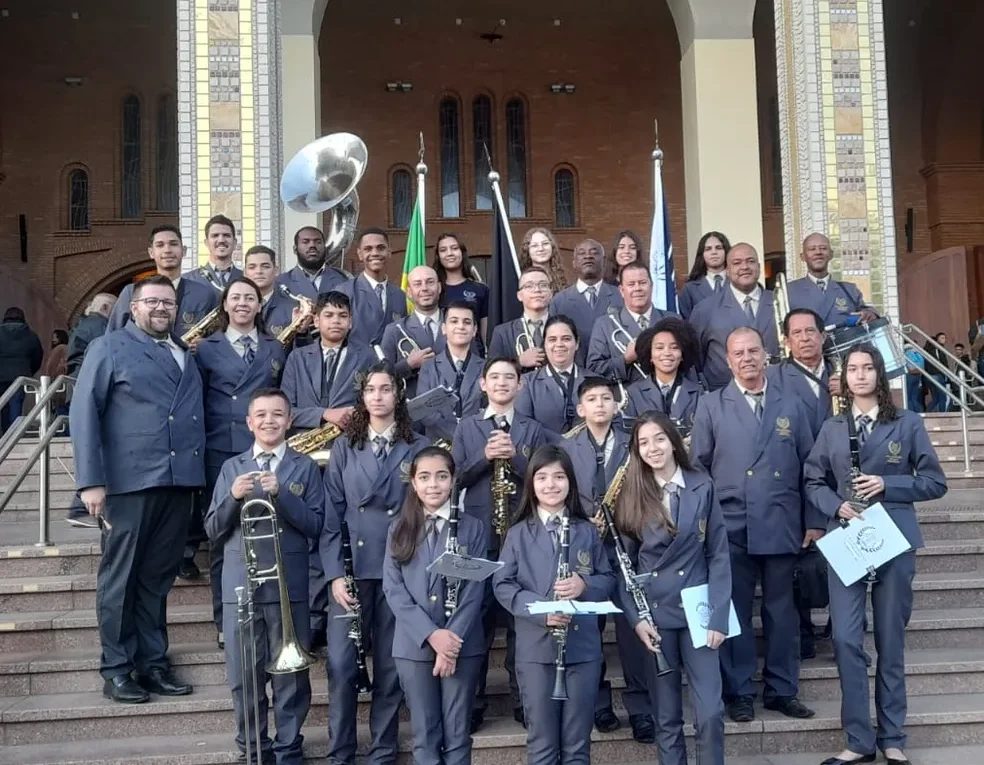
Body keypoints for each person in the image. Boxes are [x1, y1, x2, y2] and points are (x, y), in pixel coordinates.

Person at [804, 343, 947, 765]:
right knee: (846, 640)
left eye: (868, 368)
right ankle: (858, 740)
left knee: (890, 639)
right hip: (847, 537)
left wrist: (889, 485)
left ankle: (893, 737)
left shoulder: (907, 422)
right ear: (844, 377)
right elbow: (812, 480)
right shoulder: (832, 427)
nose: (861, 375)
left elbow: (935, 483)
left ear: (879, 376)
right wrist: (834, 505)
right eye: (853, 369)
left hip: (894, 540)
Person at [70, 275, 204, 703]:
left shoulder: (184, 351)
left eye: (168, 302)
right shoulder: (107, 348)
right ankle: (117, 669)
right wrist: (91, 483)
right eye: (152, 301)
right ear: (133, 307)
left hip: (177, 482)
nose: (162, 308)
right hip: (127, 485)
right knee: (120, 580)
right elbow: (85, 412)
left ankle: (152, 664)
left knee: (155, 580)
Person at [689, 326, 821, 723]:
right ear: (727, 362)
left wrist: (814, 519)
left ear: (766, 355)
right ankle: (740, 691)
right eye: (738, 353)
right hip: (731, 525)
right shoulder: (712, 405)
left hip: (783, 523)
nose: (746, 358)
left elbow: (810, 467)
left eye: (753, 351)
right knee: (736, 612)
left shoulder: (792, 404)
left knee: (783, 612)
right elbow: (698, 469)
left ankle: (783, 689)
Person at [204, 388, 324, 765]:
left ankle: (289, 749)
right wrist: (232, 499)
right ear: (249, 422)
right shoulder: (231, 469)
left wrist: (284, 494)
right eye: (261, 415)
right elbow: (212, 529)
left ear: (289, 421)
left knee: (290, 678)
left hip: (289, 590)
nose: (269, 421)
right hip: (242, 590)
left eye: (277, 415)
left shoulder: (304, 467)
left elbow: (316, 526)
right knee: (244, 678)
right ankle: (252, 748)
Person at [318, 362, 430, 765]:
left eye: (386, 389)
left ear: (398, 395)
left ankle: (383, 751)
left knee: (390, 666)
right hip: (352, 569)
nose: (378, 396)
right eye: (371, 390)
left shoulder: (416, 445)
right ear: (362, 397)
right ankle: (340, 752)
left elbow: (425, 508)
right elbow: (331, 516)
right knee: (342, 665)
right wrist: (333, 575)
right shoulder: (345, 446)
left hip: (400, 569)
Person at [615, 412, 731, 765]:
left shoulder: (701, 483)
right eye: (644, 442)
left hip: (699, 611)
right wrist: (636, 619)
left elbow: (719, 553)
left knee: (710, 711)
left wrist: (719, 616)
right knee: (666, 717)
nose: (653, 448)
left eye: (659, 439)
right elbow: (624, 569)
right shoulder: (631, 494)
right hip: (655, 615)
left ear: (673, 441)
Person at [493, 444, 614, 765]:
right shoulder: (517, 534)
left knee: (577, 746)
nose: (551, 484)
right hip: (536, 653)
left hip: (583, 651)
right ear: (531, 484)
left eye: (559, 477)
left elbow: (608, 578)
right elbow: (503, 586)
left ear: (570, 483)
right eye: (542, 477)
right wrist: (542, 610)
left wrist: (584, 584)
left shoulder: (587, 531)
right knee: (543, 746)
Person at [452, 357, 550, 731]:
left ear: (520, 385)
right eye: (495, 377)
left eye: (510, 377)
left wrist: (518, 458)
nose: (502, 383)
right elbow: (454, 478)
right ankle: (473, 704)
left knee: (520, 625)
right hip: (478, 542)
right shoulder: (466, 427)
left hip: (523, 540)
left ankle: (524, 702)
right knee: (475, 622)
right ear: (482, 384)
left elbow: (546, 478)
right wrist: (484, 457)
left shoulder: (532, 429)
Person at [559, 377, 656, 742]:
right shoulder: (565, 445)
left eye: (606, 399)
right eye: (591, 400)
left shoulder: (634, 442)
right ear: (580, 408)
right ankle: (598, 704)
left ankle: (641, 708)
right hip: (586, 547)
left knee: (634, 632)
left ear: (616, 405)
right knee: (589, 631)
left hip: (628, 545)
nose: (600, 404)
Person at [194, 277, 287, 641]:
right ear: (225, 306)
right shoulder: (206, 349)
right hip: (221, 449)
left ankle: (272, 620)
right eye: (236, 298)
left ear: (260, 305)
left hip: (265, 447)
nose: (243, 303)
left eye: (250, 297)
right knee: (224, 538)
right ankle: (224, 622)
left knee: (269, 532)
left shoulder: (276, 348)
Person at [382, 447, 488, 765]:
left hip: (461, 646)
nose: (433, 485)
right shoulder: (398, 528)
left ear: (453, 480)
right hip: (414, 646)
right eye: (424, 477)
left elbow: (474, 590)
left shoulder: (473, 528)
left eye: (442, 477)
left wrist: (449, 642)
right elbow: (394, 590)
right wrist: (432, 635)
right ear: (413, 483)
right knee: (425, 735)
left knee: (457, 734)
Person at [279, 291, 376, 434]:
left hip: (350, 442)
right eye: (329, 315)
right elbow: (284, 411)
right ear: (316, 321)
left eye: (342, 315)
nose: (336, 321)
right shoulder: (297, 358)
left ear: (350, 322)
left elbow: (375, 406)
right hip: (303, 445)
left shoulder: (367, 357)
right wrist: (324, 413)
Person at [689, 243, 780, 391]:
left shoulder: (780, 302)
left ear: (759, 267)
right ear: (728, 271)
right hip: (724, 398)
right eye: (737, 263)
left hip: (776, 393)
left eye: (750, 261)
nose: (744, 267)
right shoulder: (705, 310)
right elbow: (695, 359)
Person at [108, 225, 219, 340]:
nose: (167, 250)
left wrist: (203, 346)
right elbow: (112, 337)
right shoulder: (130, 292)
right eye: (160, 245)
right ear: (151, 252)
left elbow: (217, 340)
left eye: (173, 244)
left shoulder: (204, 294)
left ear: (184, 251)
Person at [66, 293, 117, 527]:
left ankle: (80, 506)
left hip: (77, 383)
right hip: (91, 388)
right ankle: (82, 508)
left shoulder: (81, 326)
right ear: (107, 308)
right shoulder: (101, 328)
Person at [587, 261, 677, 385]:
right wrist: (625, 359)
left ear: (651, 286)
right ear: (621, 290)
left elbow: (688, 366)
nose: (637, 288)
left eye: (642, 283)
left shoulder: (673, 320)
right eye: (631, 284)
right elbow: (593, 371)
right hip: (628, 400)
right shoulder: (604, 324)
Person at [415, 302, 485, 443]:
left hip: (477, 444)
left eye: (467, 322)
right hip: (438, 446)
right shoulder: (428, 367)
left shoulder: (486, 368)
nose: (460, 326)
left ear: (474, 330)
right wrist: (458, 435)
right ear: (444, 328)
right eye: (454, 321)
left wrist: (471, 435)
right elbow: (424, 411)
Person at [549, 239, 624, 368]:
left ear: (604, 262)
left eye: (594, 253)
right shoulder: (559, 301)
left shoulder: (621, 296)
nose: (588, 256)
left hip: (614, 375)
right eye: (582, 253)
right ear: (574, 263)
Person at [515, 315, 586, 440]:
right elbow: (524, 426)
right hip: (543, 454)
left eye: (566, 339)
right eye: (552, 339)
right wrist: (561, 442)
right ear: (545, 345)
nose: (559, 344)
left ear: (577, 343)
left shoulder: (595, 380)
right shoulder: (527, 382)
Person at [785, 233, 878, 327]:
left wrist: (869, 314)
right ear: (803, 257)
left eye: (823, 248)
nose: (818, 252)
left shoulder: (850, 290)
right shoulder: (789, 291)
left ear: (831, 254)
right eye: (812, 249)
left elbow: (868, 313)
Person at [624, 317, 702, 428]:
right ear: (649, 354)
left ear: (683, 355)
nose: (667, 353)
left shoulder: (698, 393)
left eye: (674, 347)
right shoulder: (633, 393)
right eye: (659, 348)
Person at [380, 265, 445, 398]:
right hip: (412, 410)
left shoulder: (458, 323)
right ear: (409, 292)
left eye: (430, 282)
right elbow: (382, 377)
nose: (424, 288)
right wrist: (408, 364)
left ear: (439, 287)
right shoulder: (394, 330)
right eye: (417, 284)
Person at [770, 308, 835, 438]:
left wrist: (849, 391)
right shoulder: (771, 377)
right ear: (787, 342)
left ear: (823, 337)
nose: (804, 338)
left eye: (810, 331)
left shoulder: (843, 371)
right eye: (797, 333)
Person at [339, 228, 409, 346]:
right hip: (356, 362)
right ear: (360, 254)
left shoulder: (400, 295)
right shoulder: (344, 291)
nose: (375, 253)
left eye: (381, 248)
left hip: (390, 363)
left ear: (389, 252)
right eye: (368, 249)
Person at [243, 245, 312, 347]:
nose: (258, 271)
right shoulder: (235, 307)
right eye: (252, 267)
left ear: (276, 270)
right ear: (245, 272)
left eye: (265, 266)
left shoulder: (293, 308)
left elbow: (304, 354)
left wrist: (302, 333)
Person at [488, 267, 553, 372]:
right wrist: (518, 361)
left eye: (543, 285)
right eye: (529, 286)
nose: (537, 290)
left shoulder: (564, 328)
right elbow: (491, 370)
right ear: (519, 296)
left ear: (551, 293)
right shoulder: (502, 333)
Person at [433, 232, 489, 346]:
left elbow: (485, 333)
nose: (449, 253)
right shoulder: (433, 290)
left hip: (475, 355)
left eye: (454, 248)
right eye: (443, 250)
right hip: (440, 355)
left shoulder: (481, 289)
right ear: (438, 256)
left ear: (462, 252)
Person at [276, 225, 352, 302]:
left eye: (318, 242)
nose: (312, 245)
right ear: (295, 249)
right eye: (305, 242)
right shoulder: (280, 283)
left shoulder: (343, 279)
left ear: (325, 248)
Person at [0, 307, 44, 434]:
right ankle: (14, 436)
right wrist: (29, 371)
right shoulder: (31, 335)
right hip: (20, 376)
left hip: (1, 376)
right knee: (16, 406)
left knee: (2, 406)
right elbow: (38, 355)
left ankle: (3, 435)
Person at [677, 231, 731, 320]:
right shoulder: (690, 288)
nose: (714, 252)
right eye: (708, 249)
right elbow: (686, 321)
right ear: (702, 254)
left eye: (718, 248)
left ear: (726, 252)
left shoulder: (737, 283)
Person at [184, 214, 243, 291]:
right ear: (206, 243)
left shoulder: (247, 278)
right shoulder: (187, 280)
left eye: (226, 235)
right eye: (215, 235)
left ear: (235, 242)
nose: (221, 240)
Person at [67, 293, 116, 376]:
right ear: (104, 307)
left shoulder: (82, 324)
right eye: (115, 309)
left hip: (75, 374)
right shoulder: (102, 327)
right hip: (88, 376)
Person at [520, 227, 568, 292]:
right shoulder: (520, 277)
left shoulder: (561, 277)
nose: (541, 249)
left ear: (552, 247)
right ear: (527, 250)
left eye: (545, 244)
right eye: (534, 245)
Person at [922, 332, 950, 413]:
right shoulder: (938, 349)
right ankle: (942, 416)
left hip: (928, 377)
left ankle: (926, 413)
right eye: (942, 338)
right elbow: (943, 363)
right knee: (942, 398)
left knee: (936, 398)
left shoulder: (925, 350)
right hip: (937, 375)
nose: (944, 340)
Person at [903, 347, 925, 413]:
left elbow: (910, 369)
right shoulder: (918, 354)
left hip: (910, 376)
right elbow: (923, 367)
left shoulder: (907, 353)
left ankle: (911, 413)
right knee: (914, 398)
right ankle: (919, 412)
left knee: (909, 398)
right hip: (918, 376)